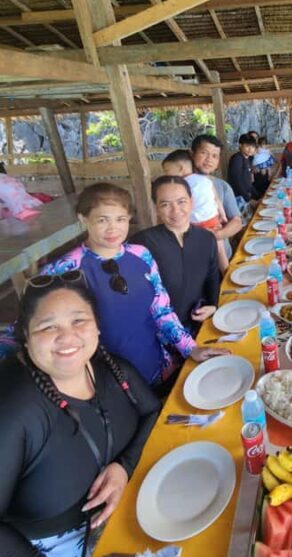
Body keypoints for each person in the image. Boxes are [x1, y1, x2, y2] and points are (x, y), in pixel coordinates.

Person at [0, 276, 161, 557]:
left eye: (78, 321)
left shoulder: (108, 368)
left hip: (120, 535)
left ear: (97, 328)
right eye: (47, 326)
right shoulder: (13, 407)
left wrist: (124, 467)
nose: (67, 336)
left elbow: (155, 414)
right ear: (25, 336)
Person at [0, 184, 228, 389]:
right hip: (108, 384)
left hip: (158, 368)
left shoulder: (141, 255)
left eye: (120, 219)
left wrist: (191, 348)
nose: (112, 229)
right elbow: (24, 329)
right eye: (102, 220)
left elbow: (161, 309)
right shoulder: (63, 270)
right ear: (83, 219)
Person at [132, 176, 220, 334]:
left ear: (191, 202)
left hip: (199, 323)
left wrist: (213, 305)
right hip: (160, 332)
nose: (175, 210)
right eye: (165, 204)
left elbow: (212, 276)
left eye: (181, 202)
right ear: (156, 208)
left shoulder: (206, 238)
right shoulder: (141, 244)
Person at [161, 149, 229, 273]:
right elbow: (216, 199)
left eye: (167, 171)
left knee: (198, 258)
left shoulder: (181, 186)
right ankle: (228, 277)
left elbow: (185, 208)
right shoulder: (205, 179)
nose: (166, 175)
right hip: (213, 221)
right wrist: (223, 215)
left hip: (196, 225)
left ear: (180, 168)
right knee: (220, 252)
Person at [191, 134, 243, 258]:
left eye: (215, 156)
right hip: (193, 257)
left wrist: (216, 236)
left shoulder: (222, 186)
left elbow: (237, 222)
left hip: (222, 254)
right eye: (204, 153)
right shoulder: (180, 186)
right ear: (192, 154)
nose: (209, 159)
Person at [227, 133, 260, 208]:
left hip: (246, 196)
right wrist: (249, 199)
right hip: (239, 199)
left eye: (252, 146)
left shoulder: (247, 159)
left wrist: (258, 196)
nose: (250, 149)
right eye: (247, 146)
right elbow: (236, 182)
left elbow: (248, 183)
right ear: (240, 145)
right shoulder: (237, 158)